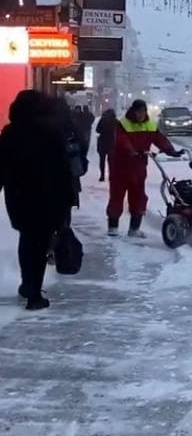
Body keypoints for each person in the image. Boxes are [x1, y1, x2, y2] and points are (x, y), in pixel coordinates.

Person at [0, 89, 77, 311]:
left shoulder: (9, 133)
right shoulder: (51, 133)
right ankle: (34, 294)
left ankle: (27, 283)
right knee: (41, 244)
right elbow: (63, 169)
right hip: (47, 197)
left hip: (18, 197)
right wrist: (68, 197)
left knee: (26, 240)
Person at [107, 99, 183, 237]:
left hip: (139, 167)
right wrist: (132, 151)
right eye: (138, 112)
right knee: (117, 196)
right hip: (121, 166)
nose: (141, 114)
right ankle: (113, 227)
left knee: (138, 197)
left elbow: (160, 139)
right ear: (133, 111)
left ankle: (134, 229)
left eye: (143, 111)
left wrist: (171, 151)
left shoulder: (150, 125)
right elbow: (122, 140)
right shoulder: (123, 124)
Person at [96, 107, 117, 181]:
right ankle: (111, 175)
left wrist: (103, 131)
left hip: (102, 141)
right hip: (111, 142)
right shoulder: (115, 121)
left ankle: (102, 175)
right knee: (111, 161)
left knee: (102, 160)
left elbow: (97, 129)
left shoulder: (102, 120)